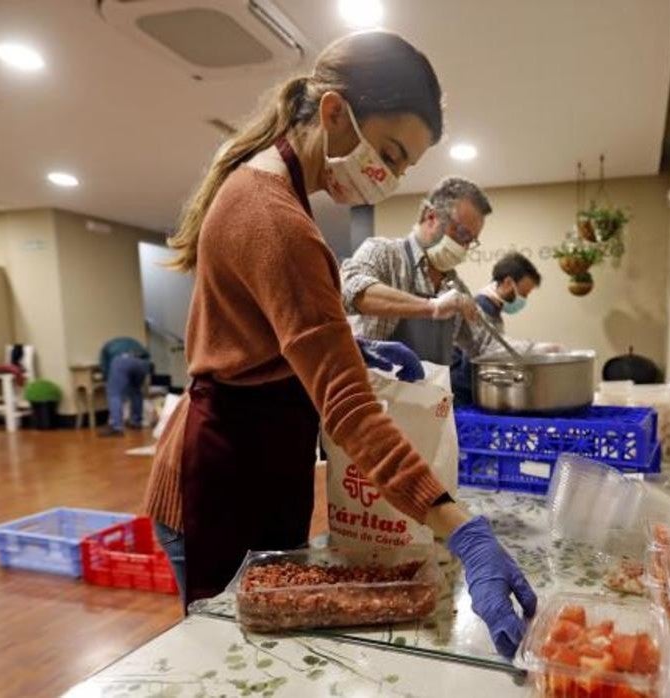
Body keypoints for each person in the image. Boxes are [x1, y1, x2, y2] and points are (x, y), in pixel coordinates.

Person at [140, 31, 535, 658]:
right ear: (332, 113)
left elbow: (260, 335)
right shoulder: (276, 216)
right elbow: (348, 410)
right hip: (223, 475)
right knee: (230, 658)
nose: (390, 175)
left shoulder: (270, 187)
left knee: (269, 647)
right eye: (389, 151)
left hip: (258, 458)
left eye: (404, 166)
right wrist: (463, 529)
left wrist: (347, 349)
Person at [340, 176, 490, 365]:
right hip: (377, 391)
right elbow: (350, 290)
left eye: (471, 241)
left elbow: (485, 344)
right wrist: (432, 307)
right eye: (461, 234)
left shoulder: (456, 288)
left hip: (436, 392)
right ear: (431, 217)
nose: (464, 247)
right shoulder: (384, 254)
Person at [449, 252, 552, 405]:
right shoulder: (480, 309)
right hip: (462, 397)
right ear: (508, 283)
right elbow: (483, 355)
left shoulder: (493, 311)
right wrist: (535, 349)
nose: (523, 300)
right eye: (523, 294)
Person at [97, 336, 152, 436]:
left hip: (121, 361)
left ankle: (116, 426)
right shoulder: (133, 342)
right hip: (143, 362)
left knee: (114, 394)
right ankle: (136, 421)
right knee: (136, 391)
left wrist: (108, 380)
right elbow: (147, 355)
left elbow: (105, 368)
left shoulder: (106, 348)